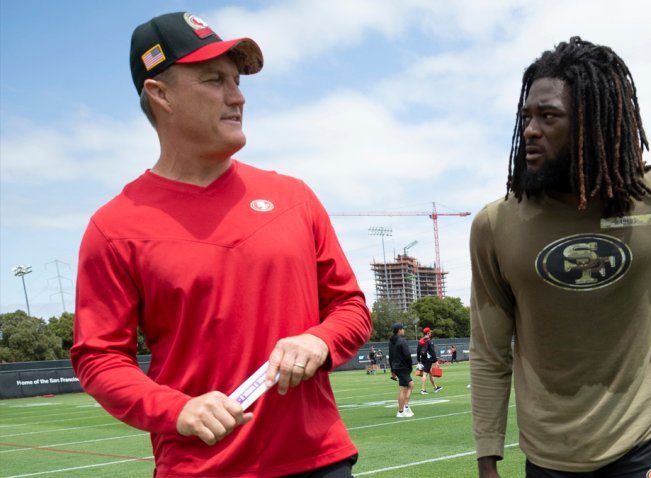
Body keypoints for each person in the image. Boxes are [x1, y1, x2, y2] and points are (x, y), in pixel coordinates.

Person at [70, 12, 372, 477]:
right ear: (160, 94)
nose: (238, 96)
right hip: (198, 469)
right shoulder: (113, 228)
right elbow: (99, 358)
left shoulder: (294, 197)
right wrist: (175, 410)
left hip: (319, 461)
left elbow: (350, 307)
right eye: (215, 80)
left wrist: (318, 340)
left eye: (236, 80)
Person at [469, 37, 651, 478]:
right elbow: (489, 352)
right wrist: (487, 462)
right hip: (548, 459)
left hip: (643, 447)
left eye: (549, 116)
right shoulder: (494, 225)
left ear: (590, 124)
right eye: (527, 117)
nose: (530, 130)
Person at [388, 323, 414, 417]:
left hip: (397, 367)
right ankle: (401, 411)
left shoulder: (391, 342)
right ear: (399, 330)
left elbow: (390, 357)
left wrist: (393, 370)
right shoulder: (402, 341)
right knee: (403, 389)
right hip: (403, 367)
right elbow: (407, 355)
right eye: (403, 329)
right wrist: (410, 366)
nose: (404, 330)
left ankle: (406, 407)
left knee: (411, 385)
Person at [416, 328, 443, 394]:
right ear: (428, 333)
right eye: (430, 332)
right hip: (428, 359)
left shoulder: (421, 341)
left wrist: (418, 360)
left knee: (430, 373)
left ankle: (435, 387)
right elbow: (432, 352)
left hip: (423, 359)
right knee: (425, 374)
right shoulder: (429, 341)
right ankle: (423, 390)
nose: (430, 333)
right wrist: (436, 361)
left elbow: (418, 351)